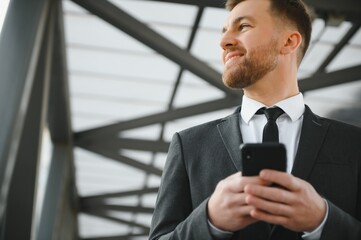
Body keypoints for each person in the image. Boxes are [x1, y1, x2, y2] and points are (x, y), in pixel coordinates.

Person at [149, 0, 361, 239]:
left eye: (244, 27)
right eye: (224, 31)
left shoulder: (354, 143)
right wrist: (210, 220)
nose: (224, 41)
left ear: (289, 41)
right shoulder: (188, 145)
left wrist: (323, 220)